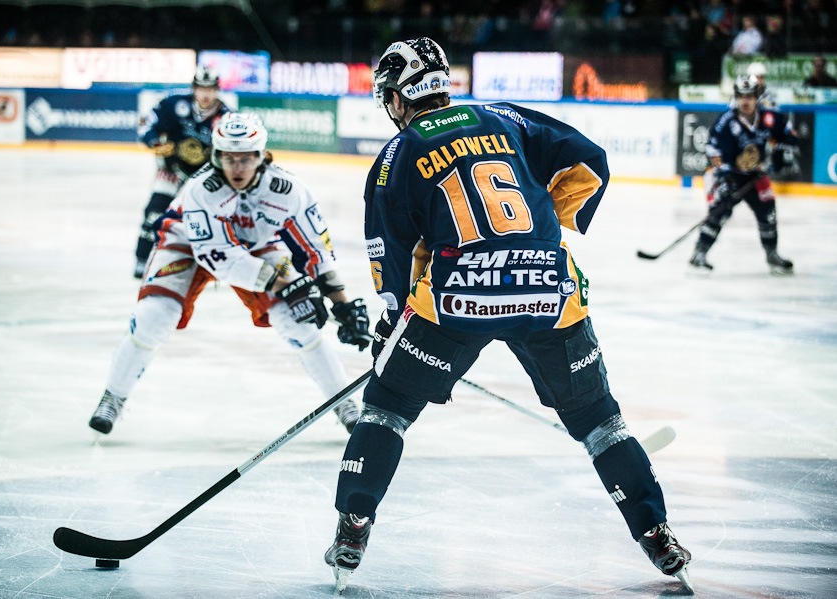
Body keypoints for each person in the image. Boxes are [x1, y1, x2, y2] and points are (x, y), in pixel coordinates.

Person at [323, 37, 693, 594]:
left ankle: (353, 523)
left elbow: (389, 248)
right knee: (599, 420)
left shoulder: (396, 155)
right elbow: (590, 161)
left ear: (400, 95)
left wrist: (392, 318)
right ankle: (656, 532)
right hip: (549, 290)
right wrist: (541, 227)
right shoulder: (503, 116)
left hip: (455, 304)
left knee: (387, 409)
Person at [89, 113, 371, 436]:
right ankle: (114, 396)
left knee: (300, 321)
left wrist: (343, 305)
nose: (237, 168)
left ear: (262, 156)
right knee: (155, 314)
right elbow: (219, 257)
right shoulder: (200, 191)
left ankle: (344, 403)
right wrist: (289, 285)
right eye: (229, 158)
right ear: (216, 157)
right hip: (187, 241)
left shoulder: (290, 191)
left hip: (257, 245)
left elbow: (317, 250)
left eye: (246, 159)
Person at [690, 75, 798, 274]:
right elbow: (713, 151)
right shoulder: (726, 122)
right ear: (736, 97)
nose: (745, 100)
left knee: (768, 211)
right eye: (741, 96)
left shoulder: (768, 118)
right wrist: (724, 177)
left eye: (749, 95)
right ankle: (700, 253)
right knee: (720, 211)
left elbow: (789, 133)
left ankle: (772, 254)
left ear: (757, 96)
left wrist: (784, 150)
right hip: (726, 174)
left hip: (753, 174)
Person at [133, 66, 230, 279]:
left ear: (216, 90)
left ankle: (215, 262)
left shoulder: (226, 117)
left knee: (213, 218)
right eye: (201, 89)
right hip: (172, 170)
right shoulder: (174, 105)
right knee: (154, 212)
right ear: (194, 89)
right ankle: (142, 258)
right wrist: (154, 142)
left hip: (205, 178)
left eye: (210, 89)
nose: (206, 94)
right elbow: (145, 124)